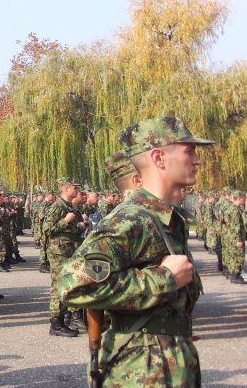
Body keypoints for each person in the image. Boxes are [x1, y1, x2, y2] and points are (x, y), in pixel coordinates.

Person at [59, 116, 214, 386]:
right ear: (159, 158)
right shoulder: (132, 219)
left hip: (165, 362)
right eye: (189, 152)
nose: (197, 160)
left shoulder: (164, 218)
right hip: (140, 371)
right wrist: (165, 279)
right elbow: (73, 284)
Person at [43, 177, 85, 337]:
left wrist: (79, 227)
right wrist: (65, 221)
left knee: (67, 285)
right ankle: (56, 324)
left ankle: (64, 317)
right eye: (75, 188)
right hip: (58, 252)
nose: (77, 190)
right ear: (66, 190)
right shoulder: (58, 206)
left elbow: (71, 231)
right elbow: (47, 229)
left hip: (69, 250)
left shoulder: (69, 206)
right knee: (58, 286)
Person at [222, 190, 246, 284]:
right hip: (235, 237)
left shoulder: (230, 207)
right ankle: (235, 276)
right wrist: (239, 240)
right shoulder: (235, 209)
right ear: (239, 198)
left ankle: (232, 274)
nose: (245, 200)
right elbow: (236, 226)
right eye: (244, 198)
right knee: (238, 256)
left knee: (232, 255)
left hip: (230, 237)